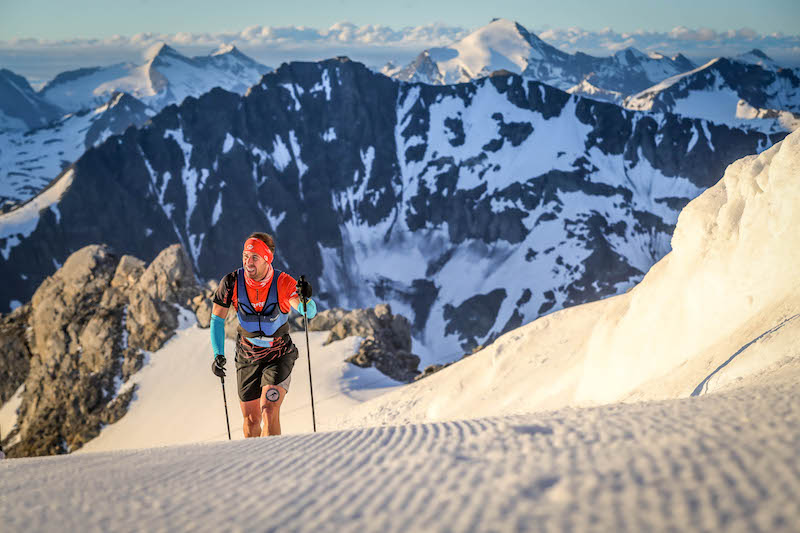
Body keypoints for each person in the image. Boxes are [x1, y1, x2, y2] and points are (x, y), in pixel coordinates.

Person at [210, 232, 316, 437]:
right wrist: (218, 354)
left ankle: (273, 464)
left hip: (278, 354)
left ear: (267, 259)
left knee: (268, 409)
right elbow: (217, 320)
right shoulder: (231, 283)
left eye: (254, 257)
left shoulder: (283, 282)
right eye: (245, 256)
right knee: (251, 421)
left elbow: (307, 312)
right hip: (247, 355)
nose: (248, 262)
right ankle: (254, 465)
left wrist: (306, 299)